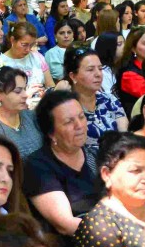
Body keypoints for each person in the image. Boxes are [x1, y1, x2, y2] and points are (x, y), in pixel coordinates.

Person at [24, 89, 102, 239]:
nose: (79, 125)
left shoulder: (96, 155)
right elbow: (65, 225)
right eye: (68, 122)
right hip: (75, 244)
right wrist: (118, 233)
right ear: (51, 133)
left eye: (81, 117)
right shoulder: (38, 166)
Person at [64, 47, 127, 149]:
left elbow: (124, 134)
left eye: (100, 69)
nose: (98, 74)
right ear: (73, 76)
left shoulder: (109, 99)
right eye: (90, 69)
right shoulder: (66, 107)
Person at [0, 22, 52, 107]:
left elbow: (50, 84)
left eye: (32, 45)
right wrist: (25, 95)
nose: (28, 49)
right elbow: (2, 99)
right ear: (12, 40)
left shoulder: (37, 57)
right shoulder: (1, 63)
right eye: (24, 45)